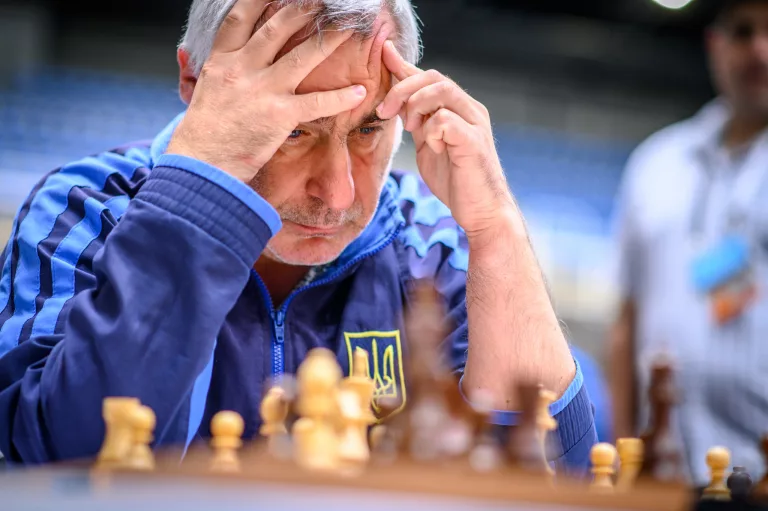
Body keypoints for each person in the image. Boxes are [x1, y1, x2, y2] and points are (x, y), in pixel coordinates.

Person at [0, 0, 596, 469]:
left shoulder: (433, 244)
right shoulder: (86, 209)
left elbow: (553, 476)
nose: (337, 194)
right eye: (293, 130)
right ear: (194, 86)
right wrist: (199, 184)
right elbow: (58, 456)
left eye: (367, 131)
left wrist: (496, 228)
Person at [610, 0, 768, 486]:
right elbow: (626, 321)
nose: (760, 50)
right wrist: (623, 456)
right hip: (661, 469)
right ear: (715, 45)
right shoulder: (656, 162)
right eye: (743, 32)